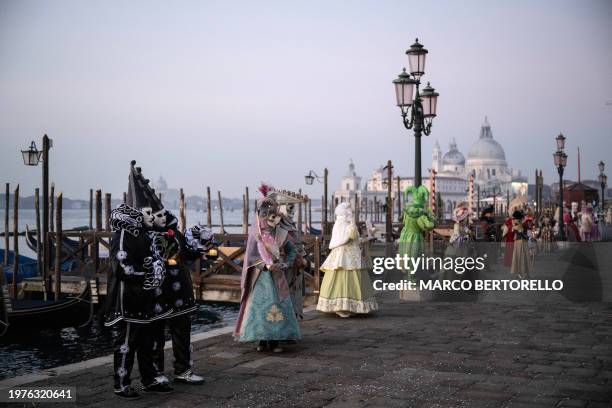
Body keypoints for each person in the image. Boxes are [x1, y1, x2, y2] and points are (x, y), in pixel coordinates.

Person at [105, 161, 174, 400]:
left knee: (149, 342)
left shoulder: (147, 234)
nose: (151, 216)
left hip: (147, 300)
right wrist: (148, 272)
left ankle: (150, 379)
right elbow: (122, 267)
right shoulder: (124, 234)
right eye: (146, 213)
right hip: (129, 300)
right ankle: (121, 383)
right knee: (126, 343)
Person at [150, 206, 215, 385]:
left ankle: (183, 370)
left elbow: (186, 254)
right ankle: (156, 374)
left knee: (182, 333)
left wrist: (203, 249)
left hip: (180, 291)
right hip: (158, 293)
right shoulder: (146, 236)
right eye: (158, 215)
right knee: (156, 336)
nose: (163, 218)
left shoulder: (174, 233)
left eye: (164, 214)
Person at [234, 186, 301, 353]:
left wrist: (286, 264)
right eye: (265, 215)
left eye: (273, 216)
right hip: (260, 278)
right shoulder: (255, 236)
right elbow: (250, 258)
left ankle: (276, 341)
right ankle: (262, 340)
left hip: (278, 276)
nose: (270, 220)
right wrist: (263, 265)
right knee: (260, 308)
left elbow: (292, 250)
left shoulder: (281, 234)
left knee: (278, 305)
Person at [316, 202, 378, 317]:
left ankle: (348, 306)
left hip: (349, 254)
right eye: (350, 211)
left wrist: (366, 238)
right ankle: (344, 307)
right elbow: (349, 236)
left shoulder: (343, 223)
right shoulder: (345, 224)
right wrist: (354, 227)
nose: (351, 213)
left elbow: (352, 239)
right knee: (345, 279)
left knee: (350, 279)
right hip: (345, 255)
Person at [510, 209, 531, 279]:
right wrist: (526, 236)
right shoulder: (517, 222)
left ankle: (520, 273)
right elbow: (520, 231)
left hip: (519, 241)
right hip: (521, 241)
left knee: (518, 257)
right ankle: (523, 273)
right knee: (522, 257)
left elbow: (518, 230)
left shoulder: (516, 222)